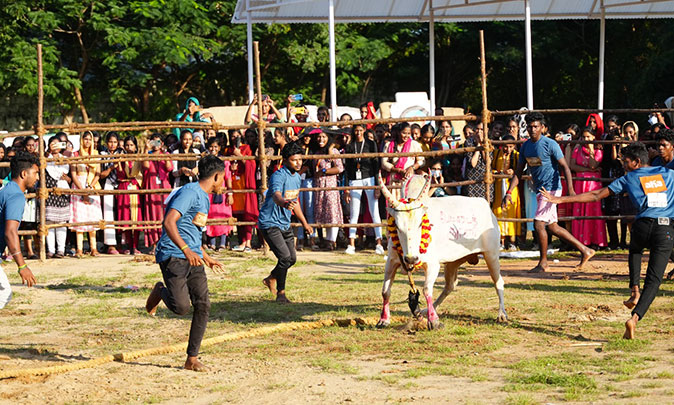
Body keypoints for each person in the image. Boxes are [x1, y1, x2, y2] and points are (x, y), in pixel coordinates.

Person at [541, 143, 674, 340]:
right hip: (665, 228)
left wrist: (561, 200)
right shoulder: (668, 173)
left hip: (642, 225)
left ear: (637, 162)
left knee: (635, 250)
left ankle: (634, 290)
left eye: (626, 162)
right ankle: (634, 319)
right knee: (654, 281)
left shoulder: (629, 178)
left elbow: (596, 194)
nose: (623, 165)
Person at [145, 154, 226, 371]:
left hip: (193, 256)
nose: (223, 183)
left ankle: (191, 358)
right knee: (181, 307)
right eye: (223, 178)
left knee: (203, 304)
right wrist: (185, 249)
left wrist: (206, 257)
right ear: (217, 176)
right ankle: (160, 291)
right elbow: (169, 222)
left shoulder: (205, 198)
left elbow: (192, 232)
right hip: (173, 254)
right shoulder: (190, 192)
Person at [502, 112, 595, 273]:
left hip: (551, 189)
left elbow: (565, 166)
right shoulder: (525, 146)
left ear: (542, 128)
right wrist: (509, 191)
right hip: (540, 190)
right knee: (552, 227)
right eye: (530, 127)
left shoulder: (550, 144)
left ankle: (543, 262)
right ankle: (585, 250)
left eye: (536, 127)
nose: (532, 130)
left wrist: (571, 190)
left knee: (538, 224)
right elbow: (518, 172)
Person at [258, 143, 313, 303]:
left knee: (291, 259)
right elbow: (275, 195)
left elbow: (295, 203)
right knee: (285, 257)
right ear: (285, 160)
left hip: (284, 223)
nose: (298, 163)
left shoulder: (296, 178)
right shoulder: (278, 175)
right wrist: (283, 203)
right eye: (294, 160)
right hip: (269, 222)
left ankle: (271, 279)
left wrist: (305, 223)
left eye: (300, 159)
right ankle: (280, 294)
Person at [0, 152, 39, 309]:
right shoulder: (16, 196)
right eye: (35, 173)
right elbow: (10, 232)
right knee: (4, 293)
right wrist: (22, 266)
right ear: (24, 173)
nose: (37, 177)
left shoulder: (7, 189)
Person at [343, 124, 384, 255]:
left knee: (374, 211)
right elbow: (347, 169)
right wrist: (347, 188)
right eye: (356, 131)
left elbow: (376, 165)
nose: (358, 133)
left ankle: (379, 243)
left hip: (369, 178)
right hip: (354, 179)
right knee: (354, 213)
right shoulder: (350, 146)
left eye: (360, 130)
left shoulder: (371, 144)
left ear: (364, 131)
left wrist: (377, 186)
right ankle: (352, 244)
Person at [568, 126, 607, 249]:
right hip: (580, 183)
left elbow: (593, 165)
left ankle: (595, 241)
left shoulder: (598, 149)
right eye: (584, 137)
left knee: (593, 210)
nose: (586, 139)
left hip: (593, 184)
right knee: (580, 209)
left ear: (594, 137)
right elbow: (572, 166)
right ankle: (579, 241)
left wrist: (591, 150)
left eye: (588, 137)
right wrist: (586, 170)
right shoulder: (577, 149)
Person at [70, 131, 103, 257]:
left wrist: (89, 187)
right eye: (85, 139)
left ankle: (93, 248)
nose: (88, 141)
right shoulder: (75, 154)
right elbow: (73, 174)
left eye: (90, 139)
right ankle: (79, 248)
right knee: (80, 218)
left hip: (92, 185)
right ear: (81, 140)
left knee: (92, 218)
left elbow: (98, 173)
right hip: (79, 185)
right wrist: (82, 190)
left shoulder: (95, 155)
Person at [312, 131, 344, 250]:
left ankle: (332, 241)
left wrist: (324, 171)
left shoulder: (333, 152)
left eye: (324, 137)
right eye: (319, 137)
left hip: (330, 184)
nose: (321, 139)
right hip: (319, 185)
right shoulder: (317, 152)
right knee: (322, 212)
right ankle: (325, 240)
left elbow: (340, 168)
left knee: (332, 211)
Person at [142, 134, 173, 252]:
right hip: (152, 187)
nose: (156, 145)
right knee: (153, 214)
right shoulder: (147, 155)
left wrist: (164, 154)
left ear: (162, 144)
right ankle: (154, 244)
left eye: (158, 142)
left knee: (165, 213)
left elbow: (169, 168)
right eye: (153, 142)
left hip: (164, 186)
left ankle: (166, 241)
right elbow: (145, 166)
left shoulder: (166, 155)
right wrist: (146, 149)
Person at [492, 135, 521, 250]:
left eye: (510, 146)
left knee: (511, 211)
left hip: (512, 187)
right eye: (505, 146)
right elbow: (491, 169)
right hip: (499, 187)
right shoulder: (496, 154)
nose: (507, 149)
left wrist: (513, 171)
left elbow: (521, 170)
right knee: (498, 210)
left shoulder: (517, 156)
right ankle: (500, 240)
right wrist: (500, 172)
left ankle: (512, 241)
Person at [45, 136, 71, 258]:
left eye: (57, 144)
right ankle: (50, 249)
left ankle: (61, 249)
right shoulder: (45, 158)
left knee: (61, 222)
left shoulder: (65, 159)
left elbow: (63, 173)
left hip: (62, 190)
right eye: (52, 144)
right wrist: (49, 153)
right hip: (49, 191)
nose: (55, 146)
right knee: (49, 222)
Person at [116, 136, 143, 255]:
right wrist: (120, 162)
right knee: (125, 217)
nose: (129, 147)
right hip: (124, 187)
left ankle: (135, 246)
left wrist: (135, 180)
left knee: (136, 218)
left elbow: (142, 174)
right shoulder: (122, 158)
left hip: (136, 187)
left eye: (131, 145)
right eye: (127, 145)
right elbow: (120, 174)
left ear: (135, 146)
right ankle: (127, 245)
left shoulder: (139, 159)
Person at [204, 137, 232, 250]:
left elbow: (228, 177)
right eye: (211, 146)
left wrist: (230, 193)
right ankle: (212, 242)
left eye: (215, 147)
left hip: (222, 191)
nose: (213, 149)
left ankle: (222, 242)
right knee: (210, 215)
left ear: (219, 148)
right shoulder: (206, 161)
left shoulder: (224, 161)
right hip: (209, 192)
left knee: (223, 215)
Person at [99, 132, 122, 254]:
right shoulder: (102, 155)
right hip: (107, 183)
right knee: (108, 213)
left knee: (121, 212)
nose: (112, 145)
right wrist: (112, 168)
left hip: (121, 184)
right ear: (106, 143)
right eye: (110, 142)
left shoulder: (122, 154)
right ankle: (110, 244)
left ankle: (123, 242)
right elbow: (101, 174)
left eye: (115, 142)